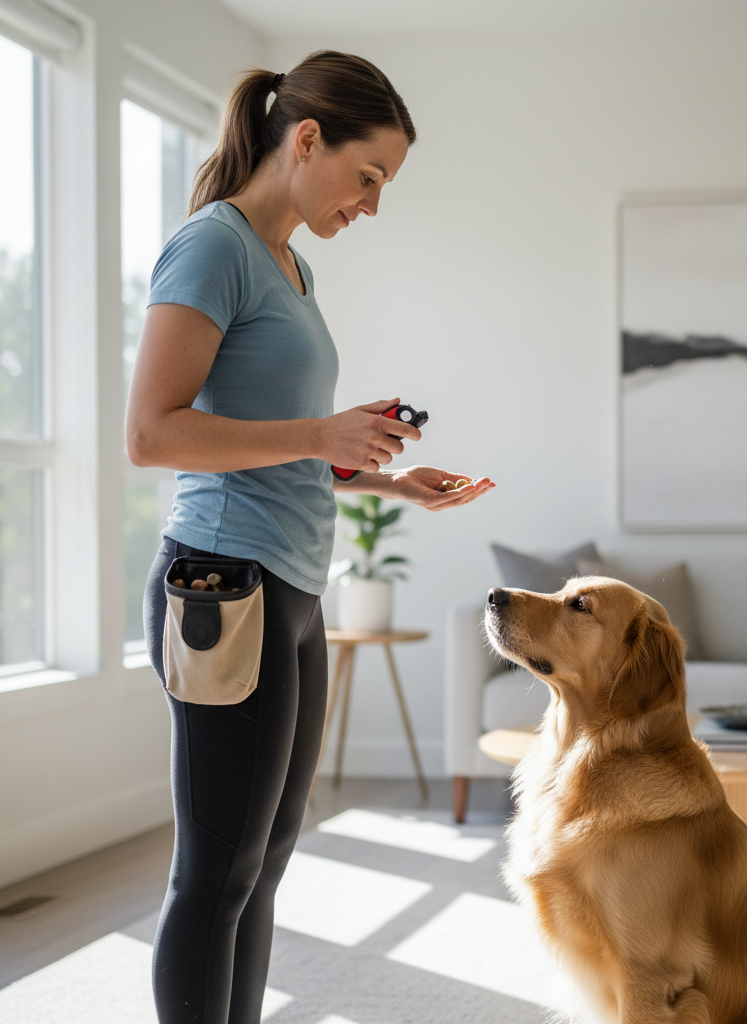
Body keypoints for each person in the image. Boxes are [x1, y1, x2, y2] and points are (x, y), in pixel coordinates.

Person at [125, 51, 493, 1024]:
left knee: (263, 861)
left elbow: (276, 439)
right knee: (217, 870)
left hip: (289, 585)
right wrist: (319, 434)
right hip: (220, 581)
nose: (371, 204)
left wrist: (383, 476)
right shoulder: (214, 246)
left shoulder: (291, 263)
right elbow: (151, 433)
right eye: (368, 177)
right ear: (306, 140)